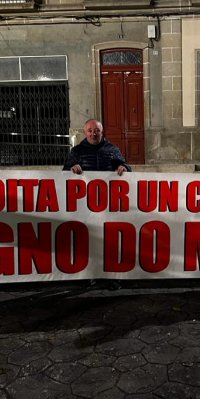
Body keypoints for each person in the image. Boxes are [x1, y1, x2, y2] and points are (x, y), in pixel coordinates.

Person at [63, 119, 131, 289]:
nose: (93, 134)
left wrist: (124, 167)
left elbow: (126, 167)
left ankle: (112, 276)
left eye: (96, 130)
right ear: (85, 132)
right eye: (90, 131)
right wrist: (72, 168)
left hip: (109, 204)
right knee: (87, 240)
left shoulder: (112, 149)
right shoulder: (76, 151)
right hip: (85, 205)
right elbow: (64, 172)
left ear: (102, 131)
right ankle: (89, 275)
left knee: (110, 241)